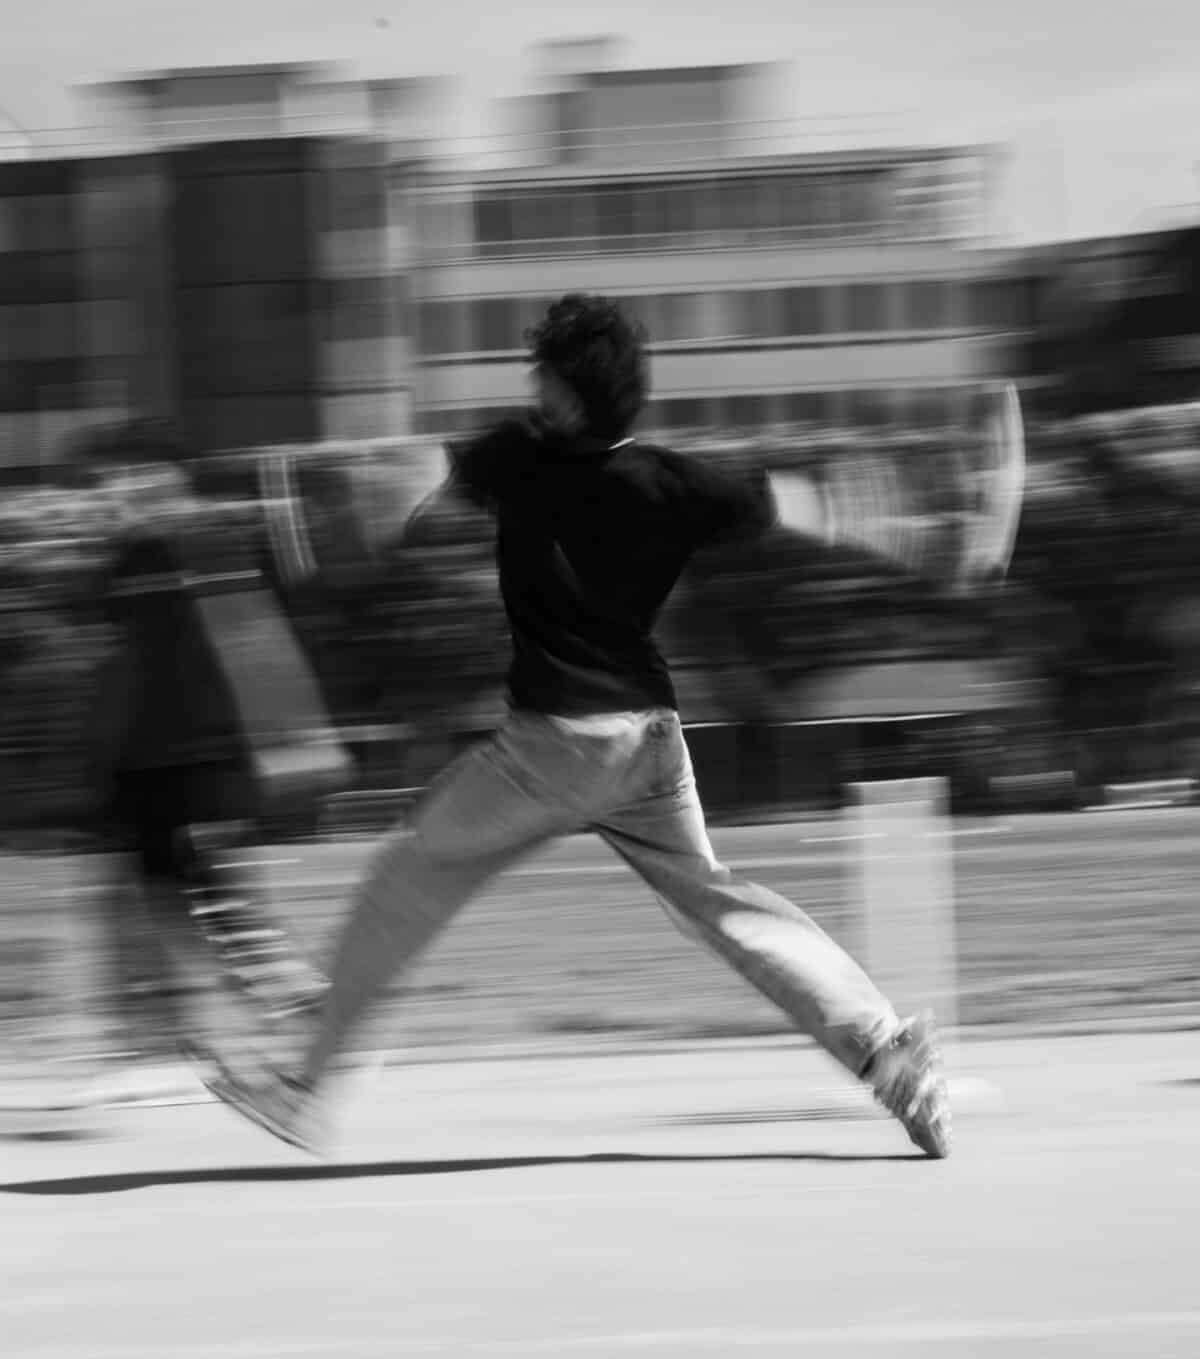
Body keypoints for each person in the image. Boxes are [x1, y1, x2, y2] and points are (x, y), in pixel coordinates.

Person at [195, 297, 1021, 1158]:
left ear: (563, 396)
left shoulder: (519, 458)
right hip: (650, 745)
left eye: (540, 377)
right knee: (722, 903)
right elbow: (817, 505)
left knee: (408, 876)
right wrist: (939, 537)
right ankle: (891, 1059)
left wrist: (315, 518)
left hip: (553, 748)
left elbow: (413, 479)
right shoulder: (676, 483)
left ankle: (302, 1087)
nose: (531, 390)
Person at [73, 419, 329, 1098]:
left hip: (203, 759)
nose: (113, 492)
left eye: (129, 477)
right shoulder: (123, 564)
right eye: (108, 481)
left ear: (170, 478)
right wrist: (103, 760)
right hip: (144, 766)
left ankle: (301, 1009)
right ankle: (229, 1025)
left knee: (216, 898)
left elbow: (257, 650)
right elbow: (121, 668)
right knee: (172, 899)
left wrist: (286, 745)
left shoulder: (206, 546)